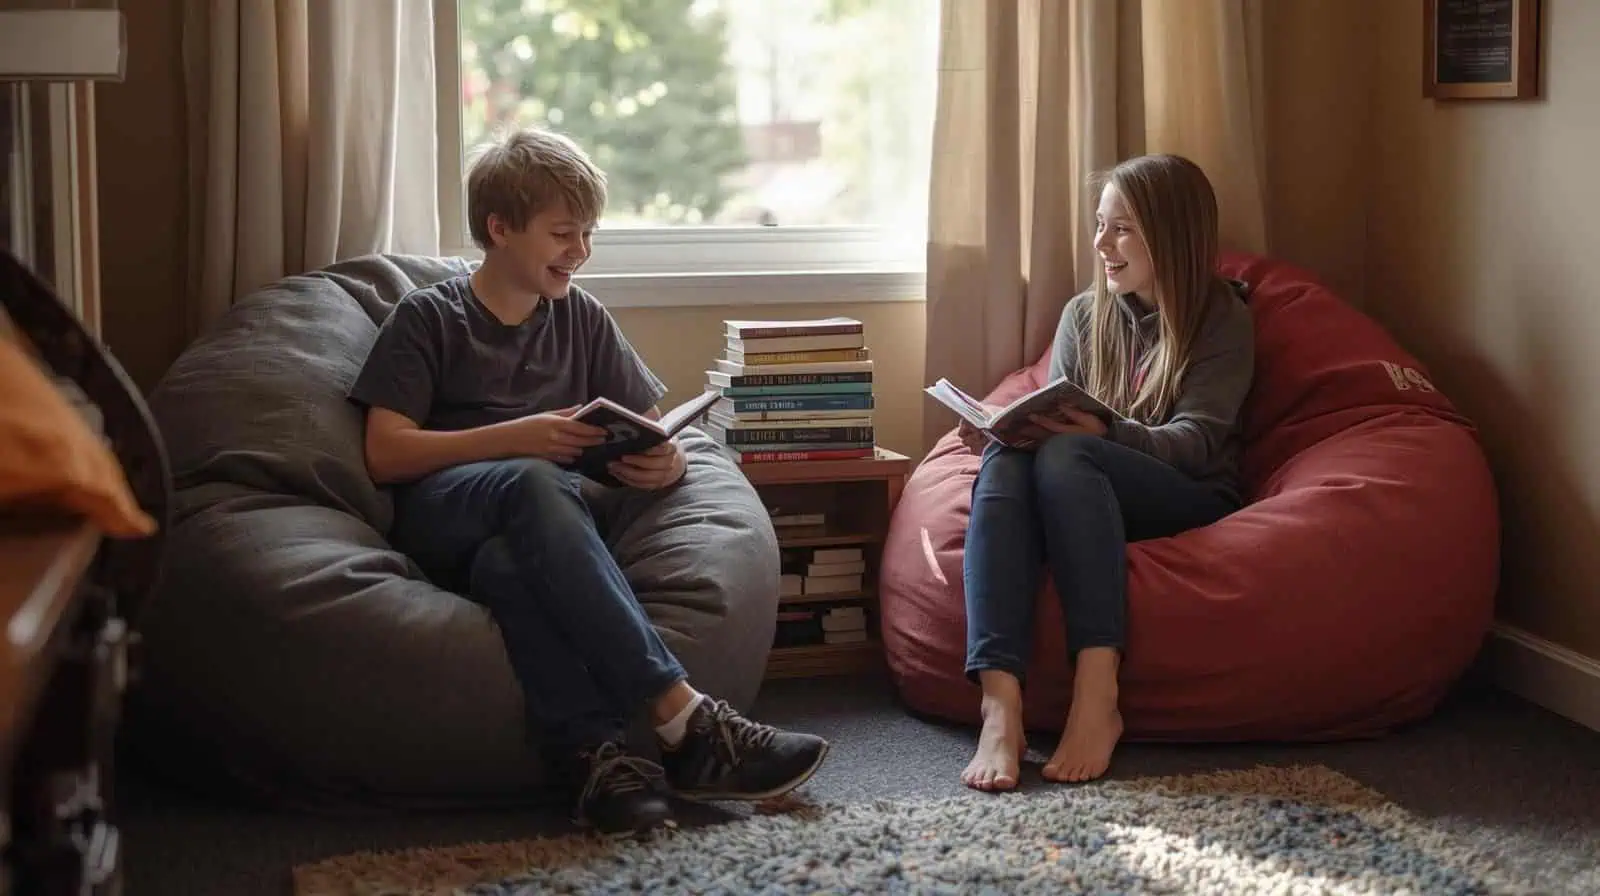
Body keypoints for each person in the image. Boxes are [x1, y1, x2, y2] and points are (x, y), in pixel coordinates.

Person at [347, 127, 830, 837]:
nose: (581, 252)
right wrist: (522, 439)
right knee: (532, 482)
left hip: (547, 535)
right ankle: (683, 718)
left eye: (588, 234)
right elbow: (385, 455)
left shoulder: (581, 317)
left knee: (511, 563)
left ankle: (602, 765)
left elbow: (653, 425)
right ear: (500, 228)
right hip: (445, 513)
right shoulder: (430, 316)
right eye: (564, 233)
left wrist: (663, 461)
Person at [957, 154, 1255, 792]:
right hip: (1083, 485)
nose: (1101, 244)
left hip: (1186, 492)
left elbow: (1200, 443)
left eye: (1121, 229)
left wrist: (1107, 433)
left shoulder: (1222, 318)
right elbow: (1054, 416)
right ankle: (999, 703)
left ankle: (1098, 695)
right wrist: (1003, 424)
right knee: (1008, 454)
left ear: (1169, 235)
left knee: (1069, 452)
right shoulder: (1083, 316)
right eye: (1100, 225)